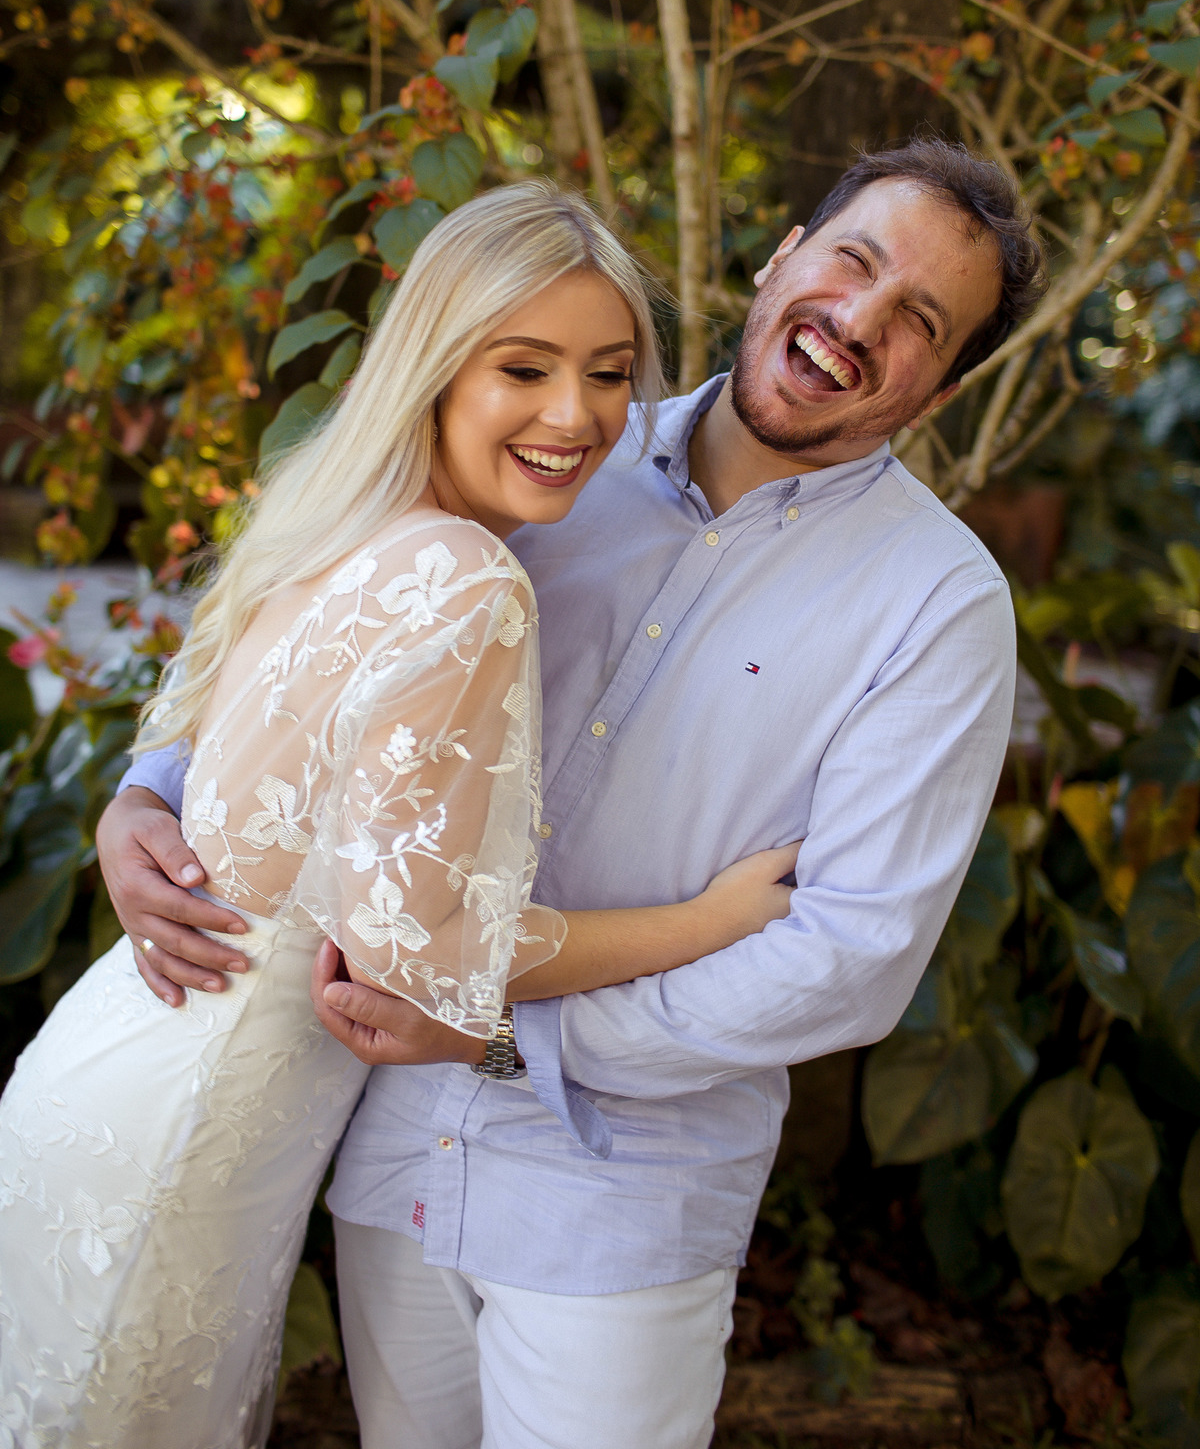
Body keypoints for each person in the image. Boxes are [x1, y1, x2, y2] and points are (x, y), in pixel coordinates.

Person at [101, 138, 1047, 1449]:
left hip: (622, 1202)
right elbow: (322, 612)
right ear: (782, 257)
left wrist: (496, 1035)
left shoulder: (939, 605)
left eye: (920, 322)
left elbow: (850, 963)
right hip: (391, 1144)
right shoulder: (554, 444)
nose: (859, 319)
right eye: (853, 260)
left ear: (943, 384)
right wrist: (146, 792)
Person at [0, 183, 796, 1449]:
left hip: (115, 1072)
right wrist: (705, 921)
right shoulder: (467, 578)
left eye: (608, 375)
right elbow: (417, 957)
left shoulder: (344, 511)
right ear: (438, 364)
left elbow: (215, 729)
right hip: (187, 1135)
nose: (575, 414)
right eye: (523, 368)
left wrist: (134, 798)